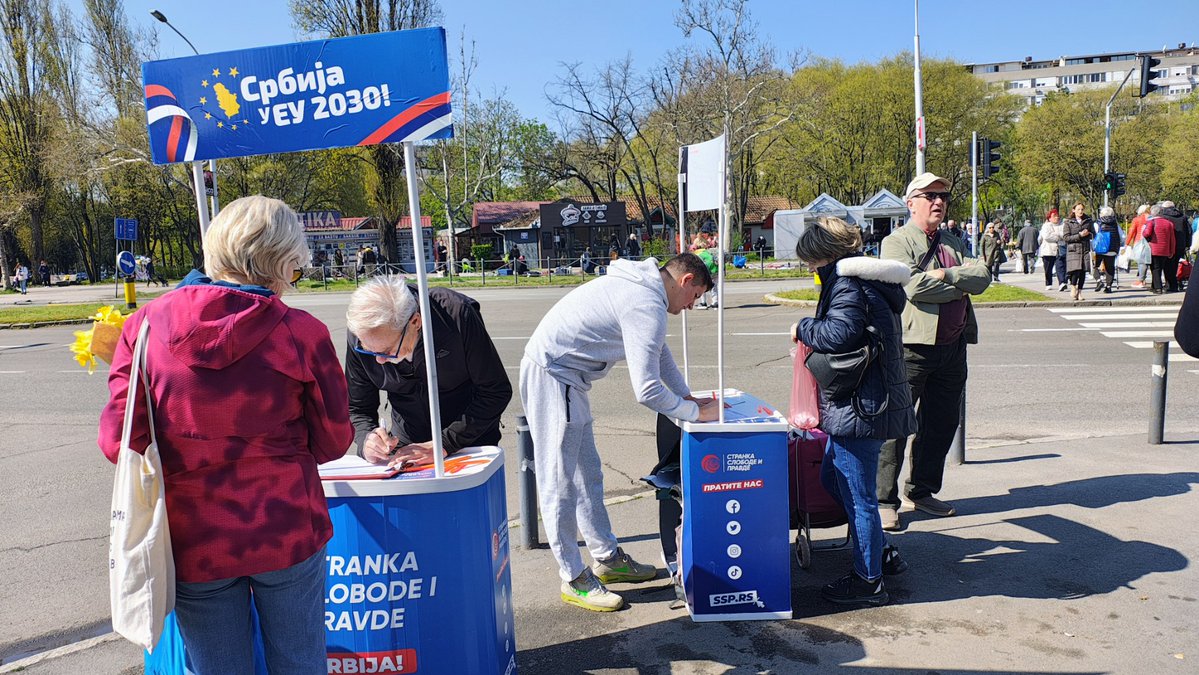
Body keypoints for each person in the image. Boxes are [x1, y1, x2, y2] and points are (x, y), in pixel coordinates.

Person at [97, 195, 353, 673]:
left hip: (195, 534)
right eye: (294, 268)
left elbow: (119, 442)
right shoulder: (302, 332)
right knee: (300, 663)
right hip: (287, 527)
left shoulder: (144, 327)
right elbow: (335, 441)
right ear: (277, 261)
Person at [520, 253, 719, 611]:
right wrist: (693, 412)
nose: (692, 306)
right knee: (560, 482)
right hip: (553, 378)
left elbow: (658, 353)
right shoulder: (645, 302)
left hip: (567, 380)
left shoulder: (645, 290)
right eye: (696, 297)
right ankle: (573, 577)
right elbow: (646, 390)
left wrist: (687, 396)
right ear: (686, 281)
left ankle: (607, 559)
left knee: (588, 475)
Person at [789, 217, 916, 606]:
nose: (811, 270)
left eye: (812, 262)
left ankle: (868, 581)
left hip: (860, 405)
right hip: (870, 401)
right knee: (834, 477)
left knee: (858, 496)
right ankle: (878, 552)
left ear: (826, 254)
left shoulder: (847, 284)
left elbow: (838, 334)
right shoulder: (868, 282)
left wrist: (802, 325)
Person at [877, 172, 991, 531]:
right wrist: (959, 280)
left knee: (942, 424)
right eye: (929, 196)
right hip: (911, 349)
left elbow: (984, 277)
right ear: (911, 202)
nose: (938, 202)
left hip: (953, 347)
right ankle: (883, 500)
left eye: (942, 196)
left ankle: (922, 491)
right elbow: (913, 286)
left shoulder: (954, 241)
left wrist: (948, 277)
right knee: (895, 426)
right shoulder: (896, 242)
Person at [345, 275, 512, 467]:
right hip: (407, 445)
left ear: (415, 322)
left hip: (469, 442)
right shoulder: (362, 334)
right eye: (368, 350)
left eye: (387, 351)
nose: (379, 360)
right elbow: (357, 408)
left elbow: (495, 391)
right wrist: (367, 439)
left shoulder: (456, 315)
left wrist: (445, 442)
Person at [1062, 202, 1094, 302]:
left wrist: (1088, 234)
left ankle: (1080, 292)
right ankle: (1073, 286)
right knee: (1075, 270)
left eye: (1082, 209)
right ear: (1074, 210)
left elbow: (1093, 234)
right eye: (1078, 209)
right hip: (1074, 249)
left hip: (1085, 248)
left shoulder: (1088, 221)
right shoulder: (1068, 222)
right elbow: (1066, 238)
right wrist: (1079, 235)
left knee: (1083, 271)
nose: (1080, 211)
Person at [1144, 204, 1178, 294]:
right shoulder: (1169, 223)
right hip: (1165, 250)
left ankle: (1158, 288)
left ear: (1153, 213)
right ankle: (1154, 286)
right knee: (1161, 267)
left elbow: (1146, 233)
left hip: (1154, 249)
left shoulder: (1151, 222)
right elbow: (1172, 239)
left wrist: (1144, 232)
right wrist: (1172, 251)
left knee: (1155, 269)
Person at [1093, 206, 1123, 294]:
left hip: (1100, 248)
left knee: (1095, 266)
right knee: (1110, 268)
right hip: (1112, 248)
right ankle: (1108, 286)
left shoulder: (1097, 223)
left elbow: (1094, 236)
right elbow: (1122, 236)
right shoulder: (1115, 224)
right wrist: (1120, 244)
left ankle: (1099, 280)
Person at [1038, 210, 1063, 290]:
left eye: (1057, 216)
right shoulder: (1046, 226)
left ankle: (1062, 283)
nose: (1057, 217)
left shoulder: (1061, 225)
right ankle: (1048, 283)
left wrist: (1056, 235)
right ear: (1049, 218)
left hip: (1059, 250)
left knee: (1060, 267)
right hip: (1048, 250)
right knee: (1048, 268)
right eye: (1054, 216)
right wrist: (1057, 237)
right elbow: (1046, 236)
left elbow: (1063, 235)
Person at [1128, 205, 1151, 288]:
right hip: (1151, 242)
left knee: (1141, 262)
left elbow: (1131, 232)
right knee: (1149, 261)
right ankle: (1145, 279)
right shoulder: (1151, 218)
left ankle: (1141, 280)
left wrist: (1127, 243)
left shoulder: (1137, 219)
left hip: (1139, 242)